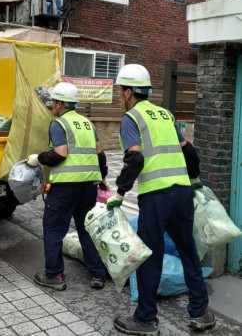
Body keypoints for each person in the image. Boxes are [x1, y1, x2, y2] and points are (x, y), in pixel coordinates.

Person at [107, 64, 216, 335]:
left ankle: (145, 319)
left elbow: (135, 157)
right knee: (188, 250)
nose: (120, 95)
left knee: (150, 256)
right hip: (181, 193)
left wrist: (119, 193)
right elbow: (189, 151)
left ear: (129, 91)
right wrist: (193, 180)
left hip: (156, 197)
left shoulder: (131, 117)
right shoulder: (165, 114)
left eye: (121, 90)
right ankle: (200, 312)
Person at [27, 82, 108, 291]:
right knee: (85, 229)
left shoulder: (59, 124)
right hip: (88, 187)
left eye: (54, 101)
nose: (53, 105)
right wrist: (101, 177)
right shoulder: (88, 124)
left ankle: (54, 275)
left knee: (53, 229)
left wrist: (40, 158)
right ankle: (98, 274)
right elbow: (101, 154)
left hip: (65, 189)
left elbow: (60, 154)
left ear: (60, 103)